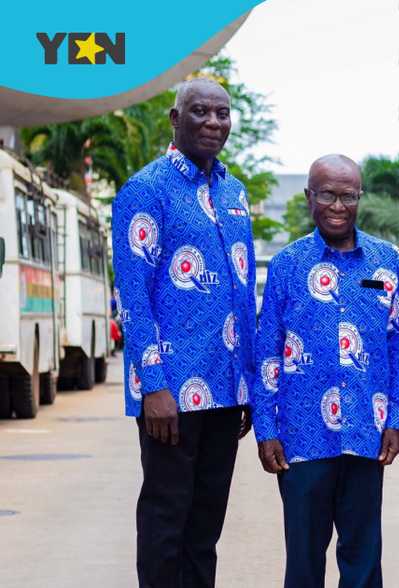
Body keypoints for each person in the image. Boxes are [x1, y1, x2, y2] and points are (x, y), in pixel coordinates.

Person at [112, 78, 256, 587]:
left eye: (222, 113)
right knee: (166, 517)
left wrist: (251, 386)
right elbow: (134, 297)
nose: (213, 123)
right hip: (171, 391)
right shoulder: (145, 190)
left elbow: (243, 292)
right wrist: (154, 386)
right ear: (176, 120)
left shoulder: (235, 192)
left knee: (206, 525)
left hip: (226, 389)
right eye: (200, 112)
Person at [251, 154, 399, 587]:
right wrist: (265, 428)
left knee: (362, 558)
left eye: (348, 195)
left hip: (366, 432)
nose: (337, 205)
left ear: (360, 197)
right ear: (309, 197)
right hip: (302, 438)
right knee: (303, 560)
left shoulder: (388, 262)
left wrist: (397, 419)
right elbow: (267, 351)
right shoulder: (287, 264)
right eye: (327, 194)